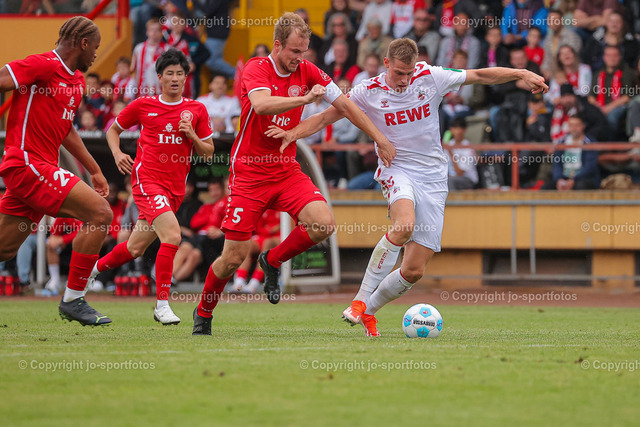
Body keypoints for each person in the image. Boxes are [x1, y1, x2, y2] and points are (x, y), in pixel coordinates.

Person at [270, 38, 547, 336]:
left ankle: (369, 310)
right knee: (403, 226)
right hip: (397, 169)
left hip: (434, 178)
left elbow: (480, 75)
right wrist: (292, 133)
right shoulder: (368, 91)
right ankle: (360, 300)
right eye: (399, 72)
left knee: (414, 270)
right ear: (386, 63)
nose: (404, 80)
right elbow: (327, 116)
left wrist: (520, 73)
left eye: (409, 72)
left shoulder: (430, 76)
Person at [192, 12, 397, 336]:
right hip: (249, 173)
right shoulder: (257, 68)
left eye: (304, 52)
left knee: (323, 223)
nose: (300, 58)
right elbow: (261, 105)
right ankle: (204, 311)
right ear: (277, 45)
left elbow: (345, 106)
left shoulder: (308, 70)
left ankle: (272, 261)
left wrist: (380, 138)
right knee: (233, 257)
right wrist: (304, 98)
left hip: (285, 169)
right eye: (294, 51)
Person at [0, 16, 114, 326]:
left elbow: (66, 129)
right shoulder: (42, 64)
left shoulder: (75, 81)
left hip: (39, 170)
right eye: (96, 48)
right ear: (84, 43)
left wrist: (94, 169)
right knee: (100, 214)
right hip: (26, 163)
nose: (96, 55)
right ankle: (74, 299)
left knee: (4, 247)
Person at [88, 49, 214, 325]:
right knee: (173, 236)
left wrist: (192, 135)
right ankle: (162, 305)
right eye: (169, 73)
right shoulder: (144, 105)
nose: (175, 78)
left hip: (175, 189)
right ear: (159, 77)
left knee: (134, 247)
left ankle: (91, 271)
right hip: (147, 182)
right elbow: (112, 130)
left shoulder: (197, 110)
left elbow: (208, 153)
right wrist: (117, 153)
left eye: (179, 73)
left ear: (186, 77)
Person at [543, 114, 600, 190]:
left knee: (581, 186)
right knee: (546, 187)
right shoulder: (562, 142)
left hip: (583, 178)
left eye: (577, 125)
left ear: (583, 126)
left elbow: (589, 167)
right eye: (571, 125)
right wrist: (559, 179)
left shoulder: (590, 142)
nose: (573, 128)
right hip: (564, 177)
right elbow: (557, 163)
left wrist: (574, 180)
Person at [131, 18, 167, 98]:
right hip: (142, 93)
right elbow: (134, 71)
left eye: (157, 30)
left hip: (161, 93)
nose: (154, 32)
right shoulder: (138, 49)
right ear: (147, 32)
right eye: (151, 30)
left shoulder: (167, 49)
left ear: (161, 33)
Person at [443, 117, 478, 191]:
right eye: (455, 128)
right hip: (450, 177)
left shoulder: (468, 147)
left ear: (464, 130)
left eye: (460, 128)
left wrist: (450, 152)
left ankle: (453, 199)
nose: (457, 131)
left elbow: (460, 173)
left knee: (450, 181)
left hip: (468, 180)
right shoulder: (449, 144)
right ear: (451, 130)